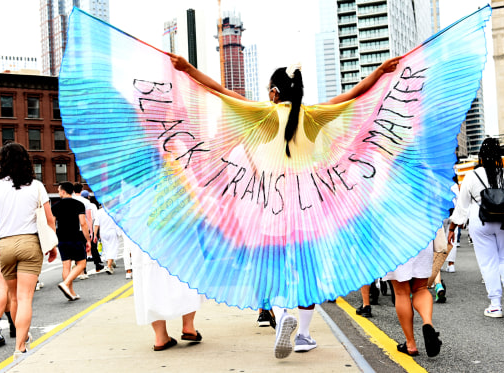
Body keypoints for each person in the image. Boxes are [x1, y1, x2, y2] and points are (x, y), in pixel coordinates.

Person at [169, 50, 401, 359]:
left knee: (271, 269)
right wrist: (381, 72)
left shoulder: (265, 114)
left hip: (273, 207)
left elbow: (220, 91)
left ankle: (281, 317)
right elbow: (355, 94)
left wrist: (187, 69)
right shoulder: (314, 115)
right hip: (308, 208)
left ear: (275, 93)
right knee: (307, 272)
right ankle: (304, 334)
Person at [0, 143, 58, 359]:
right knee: (25, 298)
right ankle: (19, 347)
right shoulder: (37, 186)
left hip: (6, 244)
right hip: (30, 243)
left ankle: (21, 336)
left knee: (13, 297)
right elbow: (49, 220)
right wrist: (52, 245)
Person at [449, 138, 504, 318]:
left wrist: (453, 227)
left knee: (488, 262)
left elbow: (462, 206)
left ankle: (495, 305)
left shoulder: (472, 176)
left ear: (481, 155)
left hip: (480, 220)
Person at [131, 238, 204, 350]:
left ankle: (161, 337)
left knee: (150, 277)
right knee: (186, 266)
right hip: (176, 230)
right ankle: (188, 326)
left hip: (144, 233)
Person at [52, 181, 90, 301]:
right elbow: (83, 223)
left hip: (61, 239)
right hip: (75, 237)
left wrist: (53, 240)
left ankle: (71, 292)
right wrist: (88, 239)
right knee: (81, 264)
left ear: (63, 191)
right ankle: (66, 283)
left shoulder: (55, 206)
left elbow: (52, 225)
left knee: (66, 265)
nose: (58, 193)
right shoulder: (78, 204)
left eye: (58, 190)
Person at [93, 206, 122, 274]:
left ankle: (110, 263)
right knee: (113, 248)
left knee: (106, 249)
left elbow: (96, 224)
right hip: (112, 231)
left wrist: (95, 235)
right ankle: (109, 266)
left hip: (103, 232)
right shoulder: (114, 210)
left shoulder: (99, 212)